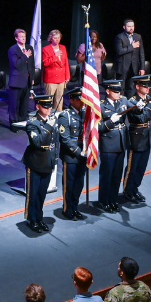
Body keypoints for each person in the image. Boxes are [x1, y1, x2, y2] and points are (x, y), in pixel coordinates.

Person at [22, 94, 59, 234]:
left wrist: (54, 160)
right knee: (33, 194)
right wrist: (49, 126)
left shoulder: (51, 121)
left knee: (42, 194)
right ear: (38, 107)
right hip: (35, 163)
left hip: (47, 162)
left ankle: (39, 218)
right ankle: (32, 219)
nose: (49, 109)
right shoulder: (32, 123)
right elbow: (37, 142)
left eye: (50, 106)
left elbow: (55, 143)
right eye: (45, 106)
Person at [123, 75, 151, 203]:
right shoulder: (131, 101)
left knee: (141, 167)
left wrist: (149, 105)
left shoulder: (147, 100)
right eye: (144, 85)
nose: (147, 88)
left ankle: (135, 189)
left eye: (148, 85)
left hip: (146, 137)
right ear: (137, 86)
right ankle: (128, 191)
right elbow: (142, 118)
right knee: (132, 167)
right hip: (136, 139)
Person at [96, 80, 130, 213]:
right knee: (107, 175)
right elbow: (97, 127)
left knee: (117, 175)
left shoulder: (123, 101)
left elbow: (134, 107)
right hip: (108, 144)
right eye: (115, 91)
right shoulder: (100, 106)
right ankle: (104, 201)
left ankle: (113, 199)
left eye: (119, 91)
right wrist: (110, 122)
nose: (118, 93)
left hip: (121, 142)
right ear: (108, 91)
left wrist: (140, 107)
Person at [57, 87, 87, 220]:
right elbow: (65, 139)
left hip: (83, 153)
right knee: (69, 184)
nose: (82, 102)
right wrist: (79, 152)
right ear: (72, 100)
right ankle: (67, 209)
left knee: (79, 183)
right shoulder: (65, 115)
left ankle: (75, 207)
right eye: (80, 100)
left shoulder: (85, 113)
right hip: (71, 155)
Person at [7, 28, 35, 126]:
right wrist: (25, 56)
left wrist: (32, 78)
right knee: (14, 105)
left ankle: (22, 122)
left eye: (24, 36)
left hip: (27, 81)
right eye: (21, 37)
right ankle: (14, 124)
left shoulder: (29, 48)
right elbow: (16, 64)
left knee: (24, 104)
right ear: (16, 38)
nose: (24, 38)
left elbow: (32, 65)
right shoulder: (12, 50)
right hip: (16, 82)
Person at [114, 19, 145, 97]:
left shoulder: (138, 37)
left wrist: (142, 68)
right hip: (122, 67)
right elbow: (119, 51)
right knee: (120, 89)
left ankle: (129, 107)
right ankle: (120, 107)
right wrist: (132, 47)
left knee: (130, 88)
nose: (131, 28)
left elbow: (141, 53)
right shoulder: (119, 37)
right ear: (124, 27)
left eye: (132, 26)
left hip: (133, 67)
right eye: (129, 26)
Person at [41, 29, 70, 112]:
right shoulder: (46, 49)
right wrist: (55, 56)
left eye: (58, 38)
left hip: (61, 79)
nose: (57, 39)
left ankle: (58, 118)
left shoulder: (63, 47)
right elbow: (46, 63)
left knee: (59, 101)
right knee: (48, 101)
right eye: (55, 38)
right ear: (51, 38)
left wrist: (67, 76)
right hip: (50, 79)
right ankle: (47, 117)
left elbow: (66, 63)